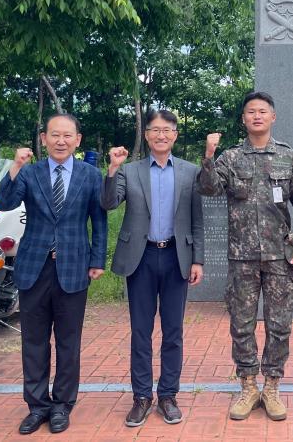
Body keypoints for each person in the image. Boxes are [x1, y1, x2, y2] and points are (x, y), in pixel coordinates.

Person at [198, 91, 293, 421]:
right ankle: (249, 386)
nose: (257, 116)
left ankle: (272, 386)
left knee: (279, 325)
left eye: (263, 111)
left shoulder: (287, 157)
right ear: (244, 119)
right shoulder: (231, 157)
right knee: (242, 324)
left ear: (273, 117)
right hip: (243, 256)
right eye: (251, 112)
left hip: (280, 257)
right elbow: (209, 189)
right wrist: (209, 156)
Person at [0, 113, 107, 435]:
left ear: (77, 140)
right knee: (34, 341)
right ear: (43, 139)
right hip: (34, 267)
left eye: (67, 136)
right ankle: (37, 406)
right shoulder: (29, 172)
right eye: (54, 135)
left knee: (68, 342)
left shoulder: (90, 175)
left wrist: (97, 259)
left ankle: (62, 405)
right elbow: (3, 204)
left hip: (74, 266)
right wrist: (15, 166)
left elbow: (98, 221)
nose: (61, 141)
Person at [101, 109, 204, 427]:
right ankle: (142, 397)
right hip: (141, 258)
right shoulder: (129, 171)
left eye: (167, 130)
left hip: (176, 258)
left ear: (175, 135)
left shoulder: (190, 172)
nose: (161, 135)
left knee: (173, 331)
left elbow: (197, 220)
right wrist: (112, 169)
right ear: (146, 135)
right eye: (155, 130)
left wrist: (198, 259)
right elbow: (108, 203)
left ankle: (168, 395)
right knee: (140, 331)